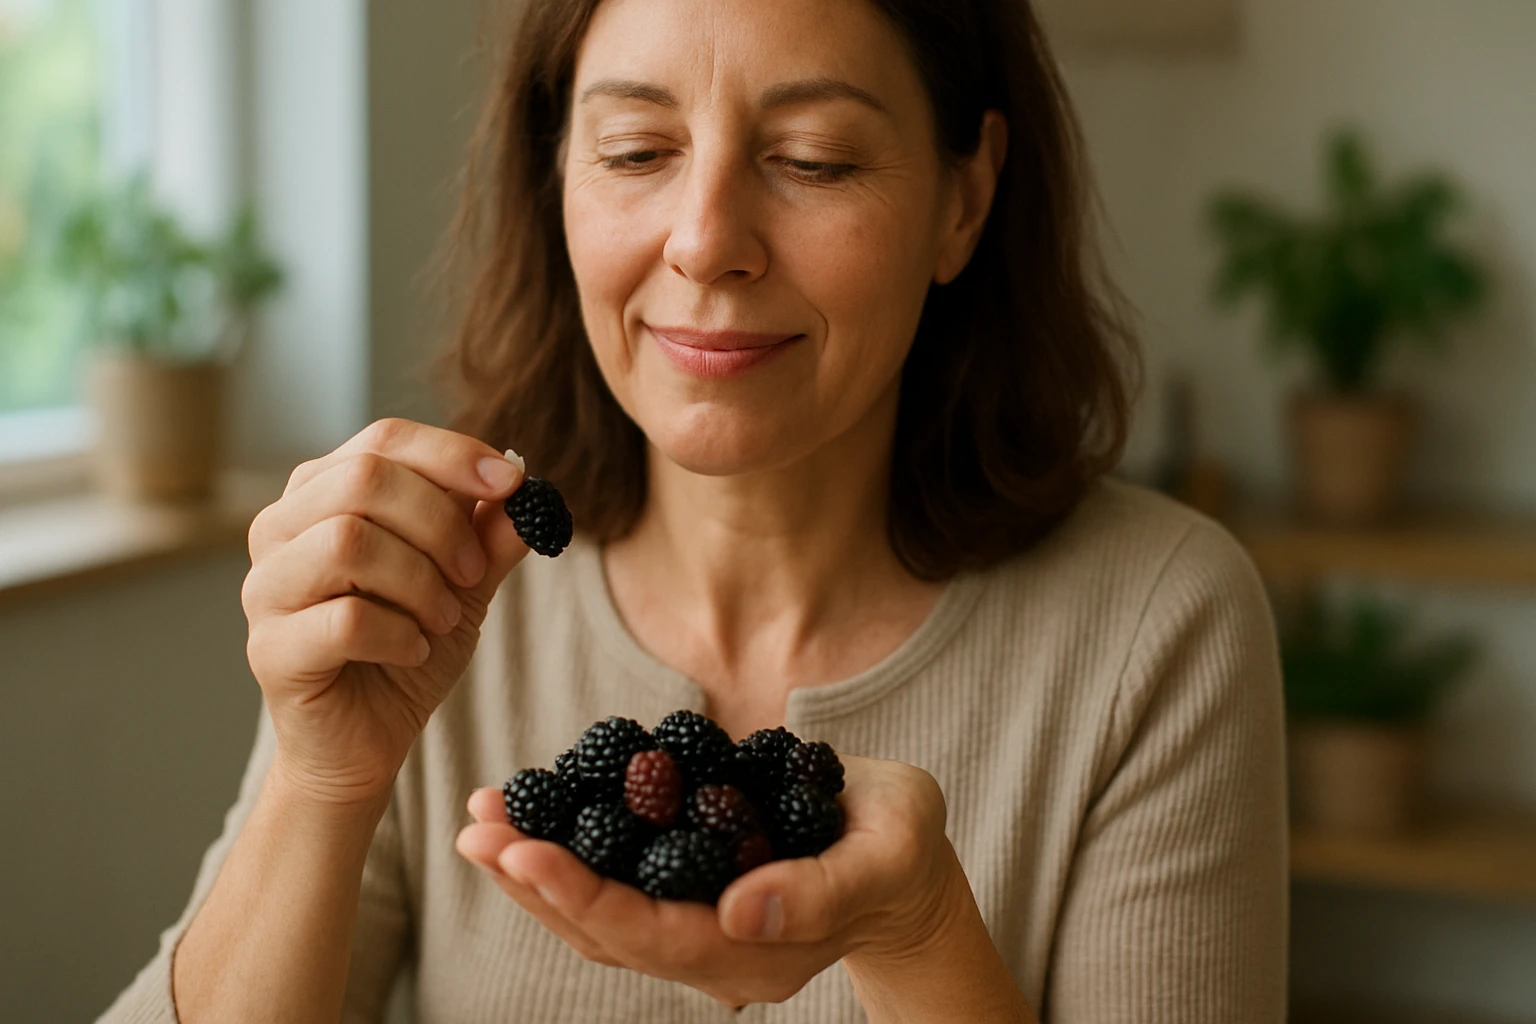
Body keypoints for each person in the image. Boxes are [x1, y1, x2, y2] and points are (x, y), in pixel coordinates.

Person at [100, 0, 1287, 1020]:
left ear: (963, 199)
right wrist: (320, 783)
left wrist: (918, 932)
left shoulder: (1160, 624)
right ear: (556, 176)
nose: (706, 241)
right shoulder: (436, 588)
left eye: (815, 159)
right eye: (633, 150)